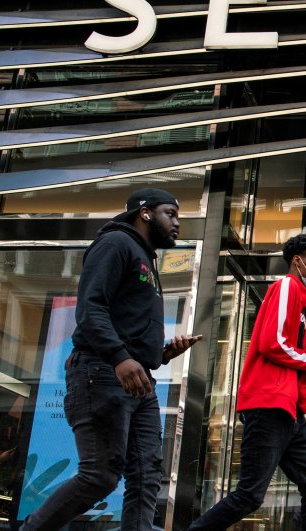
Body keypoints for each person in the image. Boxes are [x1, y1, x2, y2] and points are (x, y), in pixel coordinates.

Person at [22, 188, 202, 531]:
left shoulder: (145, 256)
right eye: (171, 214)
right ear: (145, 213)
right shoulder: (116, 244)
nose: (177, 223)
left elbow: (125, 322)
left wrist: (161, 354)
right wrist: (120, 357)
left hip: (138, 381)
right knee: (100, 474)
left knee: (147, 474)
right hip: (101, 373)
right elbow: (90, 310)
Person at [188, 233, 306, 531]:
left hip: (288, 411)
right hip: (269, 407)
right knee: (250, 495)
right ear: (298, 262)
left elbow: (286, 351)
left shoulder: (300, 302)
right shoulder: (287, 286)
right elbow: (271, 343)